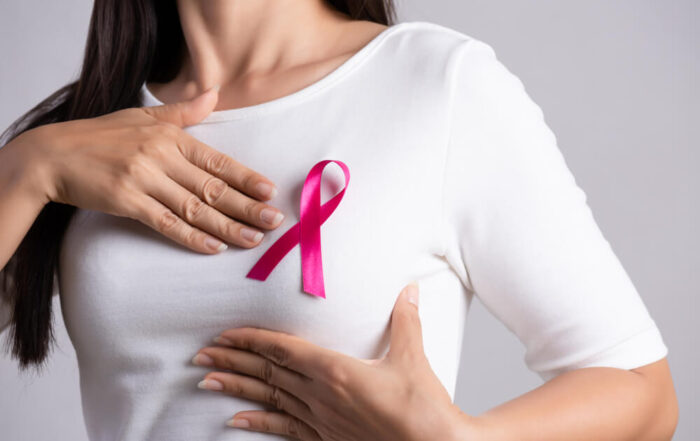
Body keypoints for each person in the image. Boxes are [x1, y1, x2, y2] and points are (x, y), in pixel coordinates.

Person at [0, 1, 679, 440]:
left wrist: (460, 440)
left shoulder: (433, 85)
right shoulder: (83, 135)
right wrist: (27, 169)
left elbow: (643, 393)